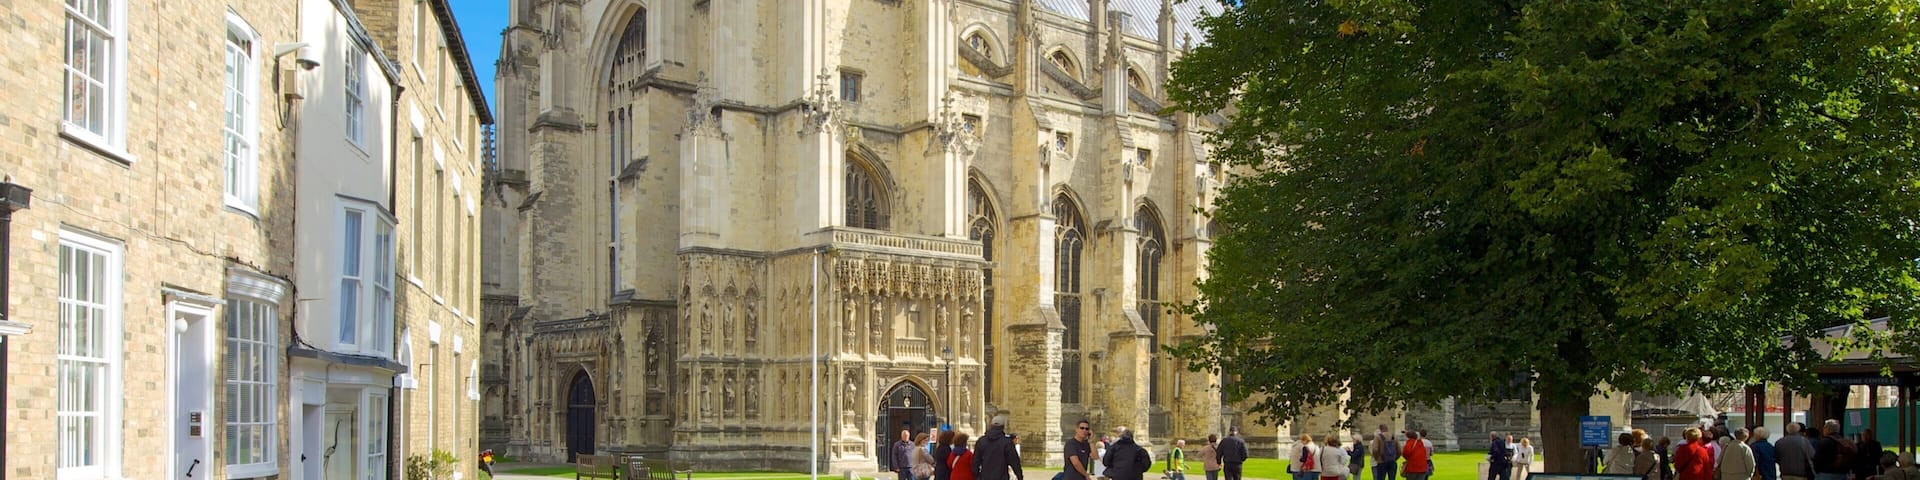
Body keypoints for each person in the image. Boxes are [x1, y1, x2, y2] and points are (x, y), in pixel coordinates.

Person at [974, 416, 1024, 480]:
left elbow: (975, 462)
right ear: (1003, 427)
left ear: (991, 425)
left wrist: (977, 476)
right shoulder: (1007, 442)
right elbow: (1014, 462)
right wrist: (1020, 476)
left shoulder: (981, 441)